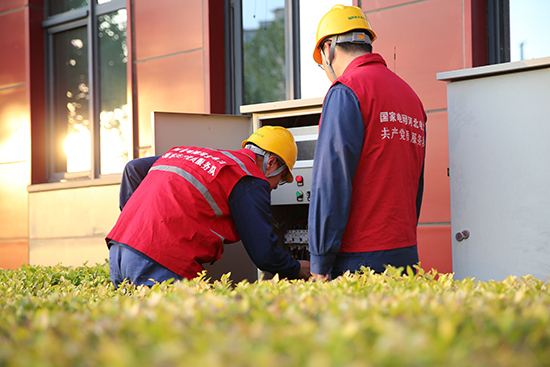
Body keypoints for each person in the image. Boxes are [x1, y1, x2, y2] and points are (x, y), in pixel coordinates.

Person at [106, 126, 311, 287]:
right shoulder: (249, 178)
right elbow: (265, 255)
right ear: (271, 163)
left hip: (119, 251)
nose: (275, 187)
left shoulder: (193, 154)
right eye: (282, 179)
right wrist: (298, 268)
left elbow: (133, 168)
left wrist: (136, 225)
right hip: (160, 261)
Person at [308, 5, 426, 280]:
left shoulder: (346, 91)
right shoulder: (411, 97)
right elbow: (414, 182)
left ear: (328, 49)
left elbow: (331, 181)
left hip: (357, 260)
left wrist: (320, 261)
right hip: (406, 255)